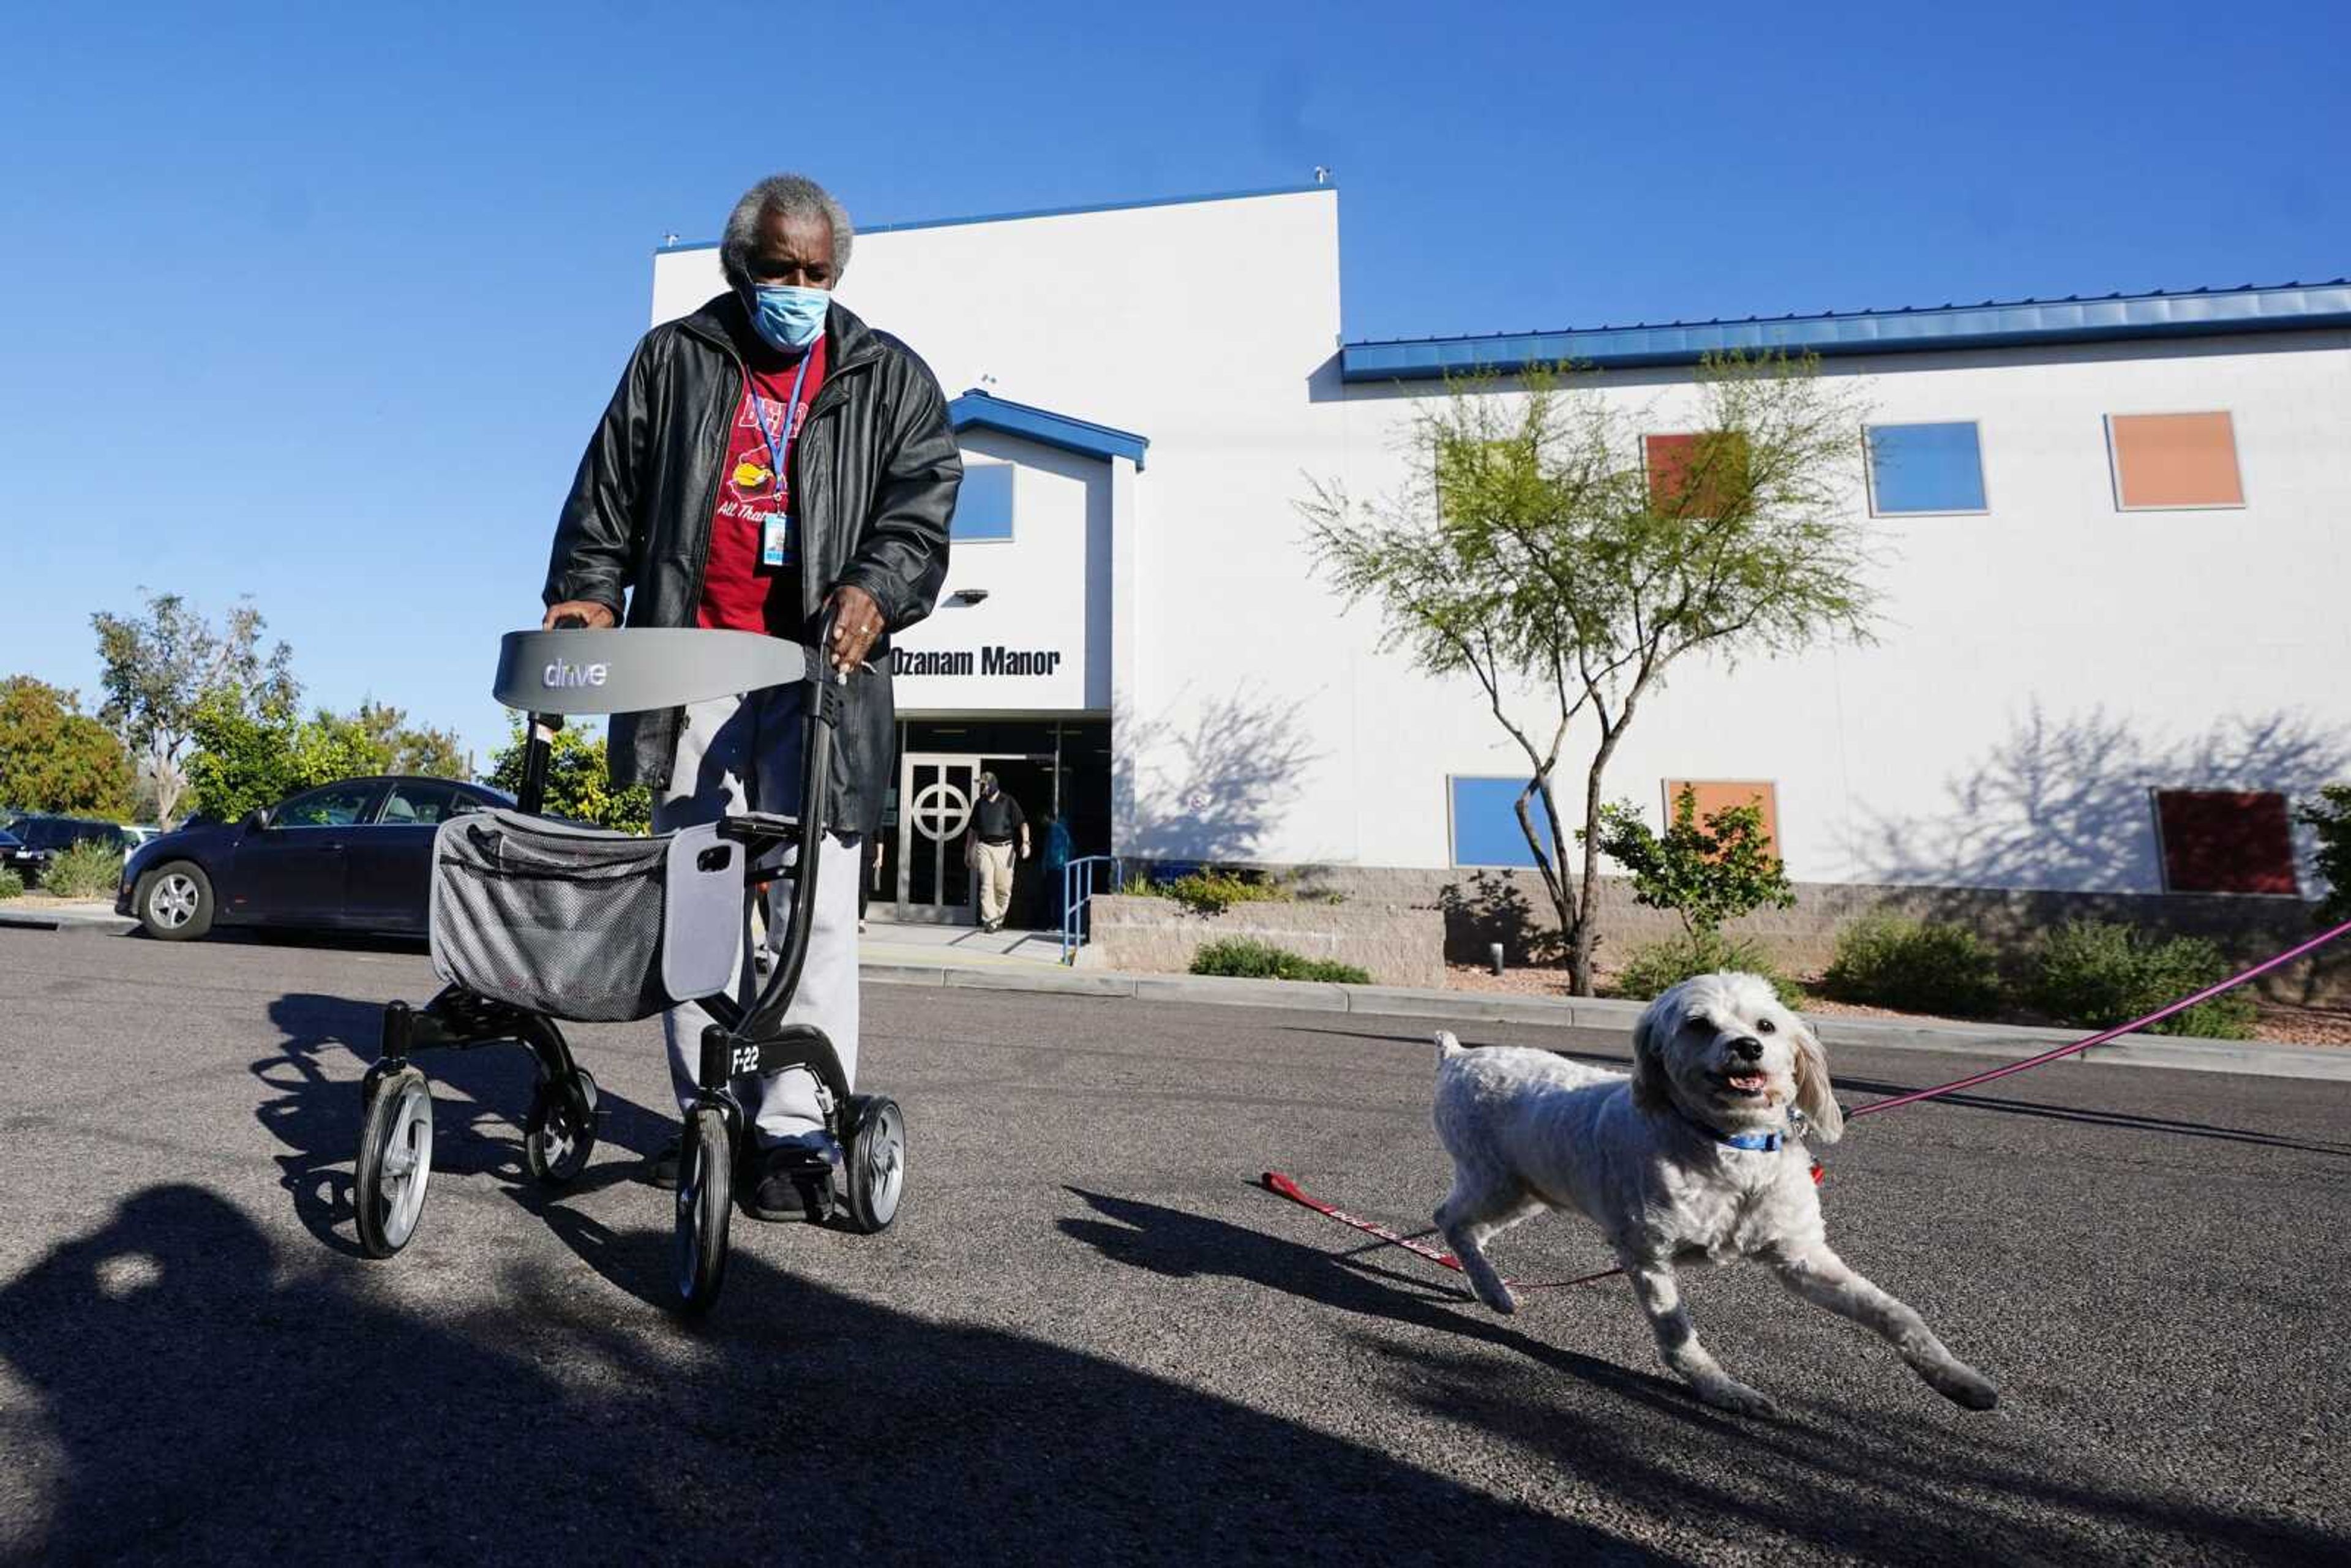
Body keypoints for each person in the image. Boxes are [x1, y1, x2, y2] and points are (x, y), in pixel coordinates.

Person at [541, 172, 959, 1219]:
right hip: (694, 672)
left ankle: (796, 1129)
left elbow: (920, 511)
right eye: (781, 270)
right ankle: (712, 1111)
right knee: (698, 895)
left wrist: (879, 586)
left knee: (815, 908)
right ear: (743, 267)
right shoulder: (675, 361)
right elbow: (607, 499)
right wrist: (585, 598)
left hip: (825, 679)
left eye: (818, 272)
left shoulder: (885, 377)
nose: (800, 287)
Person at [966, 771, 1029, 932]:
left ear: (993, 785)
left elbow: (1023, 824)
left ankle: (998, 918)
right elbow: (973, 830)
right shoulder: (979, 804)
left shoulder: (1008, 802)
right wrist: (968, 851)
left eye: (984, 785)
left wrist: (1026, 843)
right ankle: (989, 921)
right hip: (985, 847)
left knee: (1003, 888)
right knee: (987, 885)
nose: (982, 789)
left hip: (1005, 849)